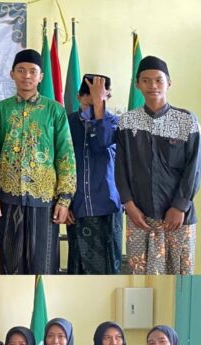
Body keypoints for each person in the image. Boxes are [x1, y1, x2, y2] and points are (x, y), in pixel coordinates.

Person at [0, 49, 76, 274]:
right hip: (9, 198)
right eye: (21, 70)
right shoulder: (0, 110)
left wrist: (64, 199)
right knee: (11, 265)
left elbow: (65, 155)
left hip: (45, 199)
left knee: (44, 265)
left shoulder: (54, 110)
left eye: (32, 71)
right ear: (12, 74)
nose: (26, 76)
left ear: (41, 77)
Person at [116, 56, 201, 275]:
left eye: (158, 80)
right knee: (140, 277)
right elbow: (121, 167)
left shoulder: (186, 121)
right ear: (137, 84)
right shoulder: (127, 122)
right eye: (146, 80)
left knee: (181, 280)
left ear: (168, 83)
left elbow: (194, 168)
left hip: (177, 219)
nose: (152, 86)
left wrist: (179, 206)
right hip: (140, 218)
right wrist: (129, 205)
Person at [66, 74, 123, 274]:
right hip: (77, 205)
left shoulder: (116, 123)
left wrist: (99, 107)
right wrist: (64, 203)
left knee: (108, 269)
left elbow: (101, 143)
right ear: (78, 96)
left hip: (107, 205)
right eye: (89, 99)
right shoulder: (67, 123)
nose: (93, 106)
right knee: (78, 269)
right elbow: (58, 164)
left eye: (100, 99)